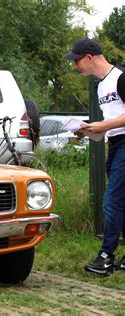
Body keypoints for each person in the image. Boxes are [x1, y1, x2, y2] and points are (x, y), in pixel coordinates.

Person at [65, 37, 125, 275]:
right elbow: (111, 121)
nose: (75, 67)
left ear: (89, 57)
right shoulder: (101, 85)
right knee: (121, 202)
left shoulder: (120, 78)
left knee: (111, 201)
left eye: (77, 61)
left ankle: (106, 257)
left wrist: (103, 126)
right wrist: (88, 130)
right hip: (115, 144)